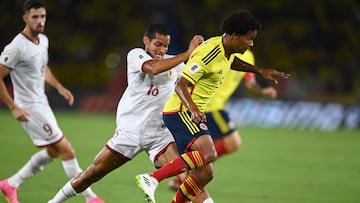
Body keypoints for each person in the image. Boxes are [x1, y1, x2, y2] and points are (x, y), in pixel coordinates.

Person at [135, 9, 290, 203]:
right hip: (181, 111)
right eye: (249, 39)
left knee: (205, 174)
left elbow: (233, 63)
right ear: (234, 35)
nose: (251, 44)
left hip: (189, 112)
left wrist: (259, 70)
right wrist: (193, 109)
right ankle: (151, 178)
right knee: (209, 153)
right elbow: (180, 85)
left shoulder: (227, 51)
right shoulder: (210, 53)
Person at [47, 24, 204, 203]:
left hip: (159, 134)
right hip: (131, 131)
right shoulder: (136, 55)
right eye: (158, 44)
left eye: (166, 46)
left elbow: (190, 81)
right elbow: (153, 68)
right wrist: (188, 53)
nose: (162, 50)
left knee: (187, 177)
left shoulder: (176, 64)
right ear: (146, 40)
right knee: (92, 174)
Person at [0, 1, 104, 203]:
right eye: (35, 17)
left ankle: (10, 184)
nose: (40, 21)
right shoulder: (16, 47)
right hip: (29, 108)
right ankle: (90, 198)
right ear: (25, 18)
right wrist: (13, 107)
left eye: (43, 17)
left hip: (42, 102)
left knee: (52, 151)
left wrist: (59, 87)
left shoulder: (44, 40)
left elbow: (43, 68)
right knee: (66, 149)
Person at [167, 50, 278, 201]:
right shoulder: (220, 52)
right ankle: (185, 175)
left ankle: (185, 176)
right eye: (248, 37)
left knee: (213, 148)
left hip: (216, 106)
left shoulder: (248, 56)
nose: (250, 42)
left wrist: (263, 92)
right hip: (211, 106)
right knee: (231, 142)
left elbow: (250, 84)